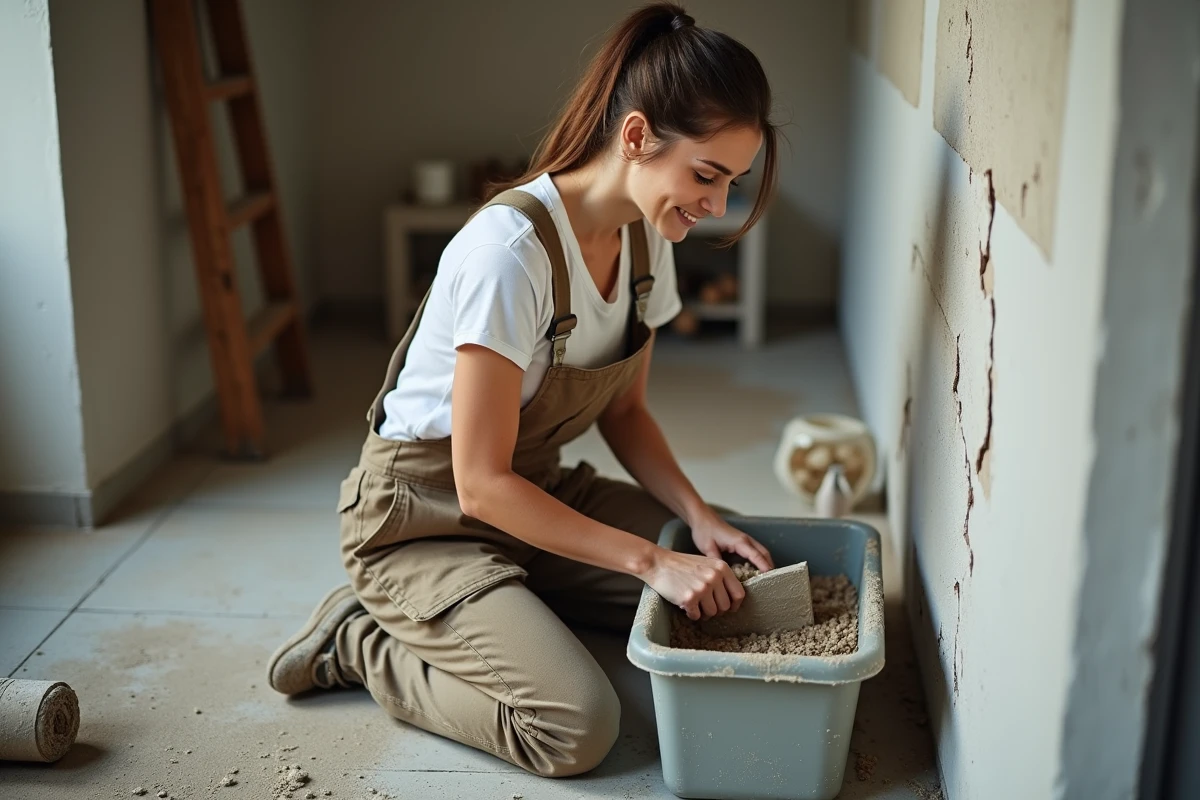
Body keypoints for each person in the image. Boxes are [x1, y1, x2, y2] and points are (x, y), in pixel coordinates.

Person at [266, 2, 781, 778]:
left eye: (731, 182)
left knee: (738, 583)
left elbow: (628, 411)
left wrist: (697, 517)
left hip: (532, 491)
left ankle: (523, 602)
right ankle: (361, 640)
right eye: (706, 175)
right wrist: (648, 562)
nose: (715, 206)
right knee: (574, 726)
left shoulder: (648, 238)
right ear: (636, 137)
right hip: (426, 521)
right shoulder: (509, 254)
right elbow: (478, 484)